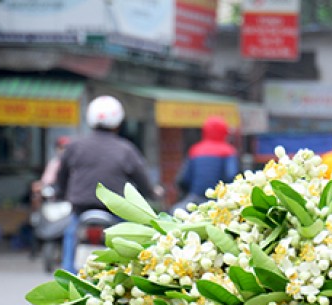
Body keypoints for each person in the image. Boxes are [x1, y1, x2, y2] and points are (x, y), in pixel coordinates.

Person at [56, 95, 158, 272]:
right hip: (114, 212)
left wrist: (60, 194)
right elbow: (142, 179)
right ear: (119, 122)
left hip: (81, 209)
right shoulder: (126, 149)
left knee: (71, 236)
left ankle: (67, 276)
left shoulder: (75, 146)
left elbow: (61, 176)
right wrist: (152, 193)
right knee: (130, 247)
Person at [173, 115, 239, 211]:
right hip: (219, 202)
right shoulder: (228, 151)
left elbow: (183, 180)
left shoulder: (195, 150)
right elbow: (231, 176)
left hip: (195, 200)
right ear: (224, 132)